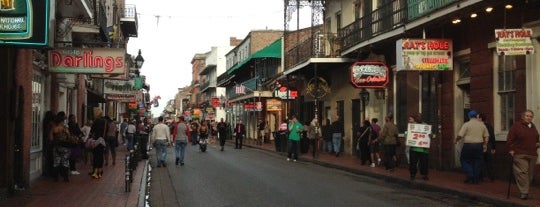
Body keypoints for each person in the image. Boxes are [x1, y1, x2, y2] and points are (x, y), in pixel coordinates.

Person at [506, 110, 540, 200]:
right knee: (522, 172)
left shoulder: (532, 126)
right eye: (527, 116)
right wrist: (511, 149)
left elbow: (537, 138)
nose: (529, 117)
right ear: (522, 116)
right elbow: (510, 139)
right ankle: (524, 192)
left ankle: (525, 190)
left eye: (531, 116)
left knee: (530, 175)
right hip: (520, 153)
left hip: (532, 153)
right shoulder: (516, 126)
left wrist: (537, 143)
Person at [455, 110, 489, 184]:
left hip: (468, 145)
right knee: (477, 162)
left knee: (464, 160)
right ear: (476, 116)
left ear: (469, 116)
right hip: (479, 145)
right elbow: (486, 136)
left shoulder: (466, 124)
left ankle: (470, 174)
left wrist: (456, 140)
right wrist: (485, 145)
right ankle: (476, 179)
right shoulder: (482, 125)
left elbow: (460, 135)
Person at [408, 114, 430, 181]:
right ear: (416, 118)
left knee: (424, 163)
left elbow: (430, 134)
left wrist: (430, 135)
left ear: (422, 118)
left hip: (424, 149)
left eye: (420, 117)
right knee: (413, 163)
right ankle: (412, 174)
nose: (418, 118)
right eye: (417, 117)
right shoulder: (412, 126)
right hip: (414, 148)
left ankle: (424, 175)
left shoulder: (426, 126)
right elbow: (408, 134)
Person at [50, 111, 71, 182]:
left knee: (56, 162)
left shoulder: (54, 128)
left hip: (56, 146)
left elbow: (51, 138)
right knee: (65, 162)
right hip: (64, 147)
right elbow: (69, 136)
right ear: (61, 121)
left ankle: (55, 177)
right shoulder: (64, 128)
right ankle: (65, 177)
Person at [478, 113, 496, 182]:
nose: (477, 119)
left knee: (480, 161)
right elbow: (492, 137)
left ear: (480, 118)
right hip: (489, 145)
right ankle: (491, 177)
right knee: (489, 162)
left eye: (477, 117)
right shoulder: (489, 126)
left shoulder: (479, 127)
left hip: (481, 144)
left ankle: (481, 177)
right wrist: (493, 147)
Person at [90, 109, 107, 179]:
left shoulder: (96, 121)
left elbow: (92, 131)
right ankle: (100, 170)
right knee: (100, 156)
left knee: (95, 156)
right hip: (102, 140)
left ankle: (95, 171)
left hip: (96, 140)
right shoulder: (104, 121)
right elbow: (106, 130)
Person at [42, 111, 56, 178]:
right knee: (50, 157)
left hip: (46, 140)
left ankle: (47, 171)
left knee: (48, 157)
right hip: (50, 141)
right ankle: (50, 172)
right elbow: (51, 133)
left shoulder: (45, 122)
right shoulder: (51, 123)